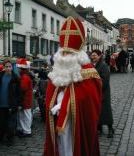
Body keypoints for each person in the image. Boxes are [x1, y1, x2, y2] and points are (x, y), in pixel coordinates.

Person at [44, 16, 102, 156]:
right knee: (61, 147)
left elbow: (90, 100)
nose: (65, 55)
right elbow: (51, 91)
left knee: (71, 148)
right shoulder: (58, 68)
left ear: (77, 53)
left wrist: (64, 106)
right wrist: (53, 105)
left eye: (69, 53)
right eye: (63, 52)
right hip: (57, 119)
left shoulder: (88, 71)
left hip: (76, 123)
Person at [90, 49, 114, 138]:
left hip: (103, 92)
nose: (93, 57)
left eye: (95, 55)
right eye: (92, 55)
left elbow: (105, 80)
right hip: (96, 92)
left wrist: (95, 83)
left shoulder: (103, 66)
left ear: (99, 56)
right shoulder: (92, 65)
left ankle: (110, 129)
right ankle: (99, 128)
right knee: (97, 110)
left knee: (106, 111)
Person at [0, 59, 21, 146]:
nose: (8, 68)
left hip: (11, 104)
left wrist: (18, 104)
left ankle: (10, 139)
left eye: (9, 66)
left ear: (12, 67)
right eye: (6, 67)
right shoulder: (0, 76)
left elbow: (19, 92)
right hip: (1, 104)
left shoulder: (15, 78)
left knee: (11, 124)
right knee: (1, 123)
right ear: (3, 67)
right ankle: (1, 138)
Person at [17, 58, 33, 137]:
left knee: (26, 115)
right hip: (26, 99)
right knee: (25, 115)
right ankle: (25, 129)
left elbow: (23, 89)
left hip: (25, 99)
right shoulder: (25, 76)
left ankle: (27, 131)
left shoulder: (24, 77)